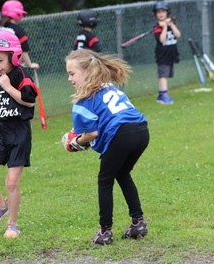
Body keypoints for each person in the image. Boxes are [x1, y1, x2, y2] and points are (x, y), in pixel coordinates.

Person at [64, 49, 150, 245]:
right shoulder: (109, 87)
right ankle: (138, 223)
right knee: (122, 173)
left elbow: (91, 134)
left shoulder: (82, 100)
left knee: (105, 180)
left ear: (87, 71)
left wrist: (76, 142)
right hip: (142, 131)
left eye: (72, 73)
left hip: (122, 134)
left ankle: (105, 231)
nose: (69, 79)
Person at [0, 30, 37, 238]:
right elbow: (0, 103)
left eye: (1, 60)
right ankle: (0, 206)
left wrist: (9, 86)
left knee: (12, 182)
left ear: (14, 56)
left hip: (19, 134)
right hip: (0, 132)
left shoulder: (21, 75)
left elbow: (29, 101)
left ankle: (12, 224)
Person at [0, 0, 39, 70]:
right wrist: (30, 64)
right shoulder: (19, 31)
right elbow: (24, 51)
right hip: (11, 66)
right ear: (18, 14)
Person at [152, 0, 181, 104]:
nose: (161, 14)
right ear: (155, 14)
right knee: (163, 75)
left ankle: (161, 95)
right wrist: (164, 27)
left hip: (171, 54)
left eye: (163, 11)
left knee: (166, 75)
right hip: (162, 56)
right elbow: (161, 40)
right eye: (158, 12)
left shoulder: (172, 23)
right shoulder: (156, 27)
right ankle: (164, 95)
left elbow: (178, 35)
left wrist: (171, 25)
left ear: (167, 13)